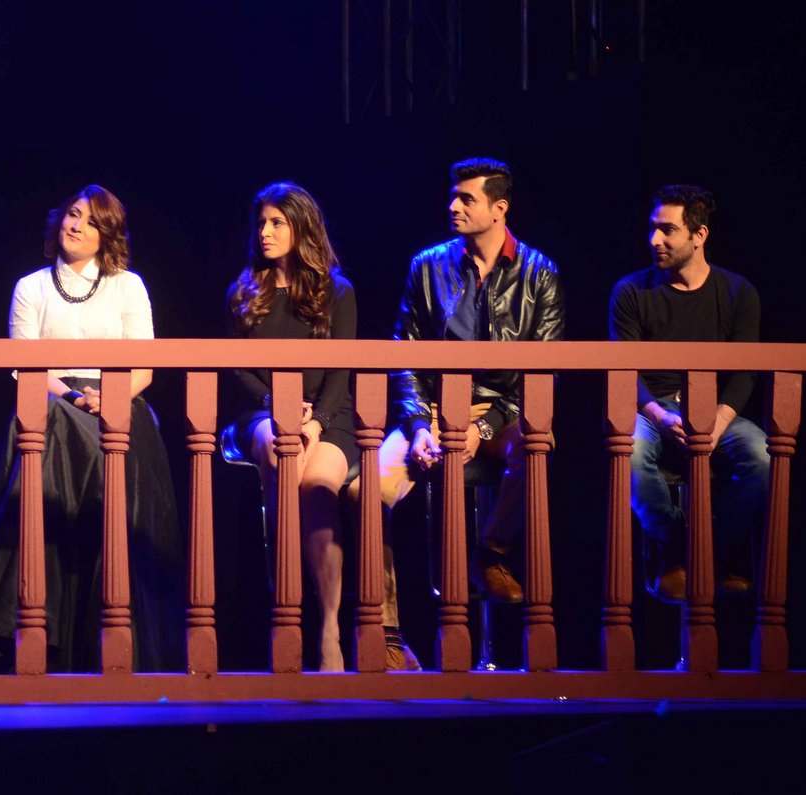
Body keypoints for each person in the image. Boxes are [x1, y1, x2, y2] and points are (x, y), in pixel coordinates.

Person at [0, 185, 184, 672]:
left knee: (78, 436)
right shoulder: (31, 286)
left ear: (107, 234)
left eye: (90, 221)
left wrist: (109, 399)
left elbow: (144, 366)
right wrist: (71, 396)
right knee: (43, 424)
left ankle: (86, 633)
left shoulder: (128, 285)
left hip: (119, 404)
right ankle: (28, 621)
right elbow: (24, 365)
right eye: (72, 214)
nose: (76, 225)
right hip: (53, 401)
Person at [377, 157, 565, 609]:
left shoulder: (539, 272)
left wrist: (484, 427)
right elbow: (404, 355)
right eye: (452, 197)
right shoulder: (427, 266)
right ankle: (387, 627)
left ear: (499, 209)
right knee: (366, 491)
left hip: (502, 414)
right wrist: (418, 426)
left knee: (537, 442)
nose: (453, 207)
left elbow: (544, 373)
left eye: (466, 199)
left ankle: (490, 553)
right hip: (434, 412)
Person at [609, 185, 769, 603]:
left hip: (714, 410)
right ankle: (675, 545)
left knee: (762, 455)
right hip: (651, 410)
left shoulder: (738, 292)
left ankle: (716, 550)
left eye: (667, 230)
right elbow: (625, 372)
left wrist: (719, 420)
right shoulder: (631, 291)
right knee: (630, 452)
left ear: (699, 235)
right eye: (652, 228)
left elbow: (746, 371)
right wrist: (659, 415)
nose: (654, 239)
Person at [225, 182, 356, 672]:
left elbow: (341, 372)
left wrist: (317, 422)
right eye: (261, 222)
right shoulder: (243, 291)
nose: (265, 231)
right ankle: (287, 617)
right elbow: (238, 369)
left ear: (302, 227)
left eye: (277, 222)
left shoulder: (337, 291)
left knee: (317, 489)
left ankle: (328, 628)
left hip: (328, 415)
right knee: (282, 451)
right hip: (263, 413)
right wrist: (276, 404)